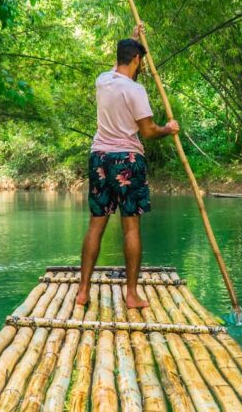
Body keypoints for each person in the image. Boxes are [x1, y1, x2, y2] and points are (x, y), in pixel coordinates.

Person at [75, 23, 179, 308]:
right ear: (137, 60)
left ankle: (82, 291)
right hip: (127, 160)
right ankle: (131, 294)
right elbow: (148, 131)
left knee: (96, 226)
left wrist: (133, 41)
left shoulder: (102, 80)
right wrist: (169, 128)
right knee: (130, 228)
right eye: (140, 60)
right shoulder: (135, 90)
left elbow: (117, 66)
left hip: (99, 158)